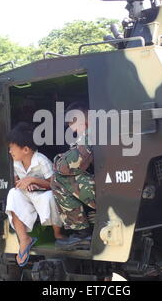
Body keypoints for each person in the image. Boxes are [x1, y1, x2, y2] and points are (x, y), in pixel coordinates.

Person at [5, 122, 65, 267]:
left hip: (44, 194)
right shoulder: (15, 163)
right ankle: (24, 238)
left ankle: (58, 233)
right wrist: (23, 184)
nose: (10, 151)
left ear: (25, 149)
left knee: (50, 197)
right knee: (13, 194)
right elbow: (16, 182)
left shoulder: (41, 160)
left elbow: (55, 184)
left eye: (12, 148)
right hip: (28, 195)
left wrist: (34, 180)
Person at [51, 102, 96, 250]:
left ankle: (82, 234)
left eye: (72, 122)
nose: (71, 128)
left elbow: (67, 166)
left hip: (110, 191)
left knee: (58, 179)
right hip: (117, 187)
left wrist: (57, 160)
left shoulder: (91, 134)